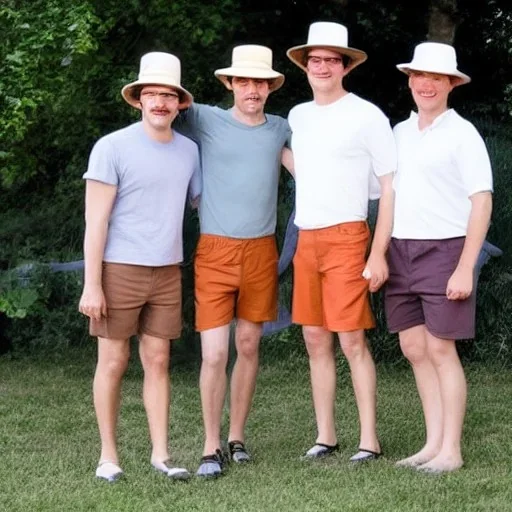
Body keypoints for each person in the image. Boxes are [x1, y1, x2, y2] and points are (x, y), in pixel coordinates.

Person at [78, 52, 201, 482]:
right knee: (113, 362)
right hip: (119, 269)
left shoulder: (189, 151)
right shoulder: (112, 147)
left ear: (180, 103)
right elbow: (96, 220)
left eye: (169, 95)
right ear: (138, 100)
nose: (160, 103)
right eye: (152, 94)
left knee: (159, 360)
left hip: (168, 270)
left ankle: (161, 456)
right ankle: (108, 457)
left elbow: (203, 204)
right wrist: (92, 284)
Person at [175, 45, 290, 478]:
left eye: (260, 82)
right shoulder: (205, 117)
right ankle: (210, 446)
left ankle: (237, 437)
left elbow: (317, 166)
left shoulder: (281, 128)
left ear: (270, 87)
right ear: (230, 84)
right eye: (244, 81)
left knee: (248, 345)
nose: (253, 89)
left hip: (261, 249)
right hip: (215, 249)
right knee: (214, 352)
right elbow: (163, 110)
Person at [285, 21, 396, 462]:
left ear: (345, 67)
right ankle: (325, 436)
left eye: (333, 59)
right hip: (306, 236)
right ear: (305, 66)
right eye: (316, 60)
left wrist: (378, 252)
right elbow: (306, 169)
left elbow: (389, 188)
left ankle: (369, 439)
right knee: (315, 338)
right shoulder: (298, 115)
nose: (323, 66)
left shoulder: (367, 115)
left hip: (349, 237)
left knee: (351, 340)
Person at [386, 42, 493, 473]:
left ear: (451, 84)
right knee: (413, 346)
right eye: (419, 76)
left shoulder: (463, 134)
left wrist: (466, 265)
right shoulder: (398, 132)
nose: (426, 84)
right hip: (400, 249)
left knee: (440, 348)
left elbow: (481, 201)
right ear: (410, 80)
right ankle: (432, 444)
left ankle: (452, 449)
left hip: (446, 249)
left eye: (436, 78)